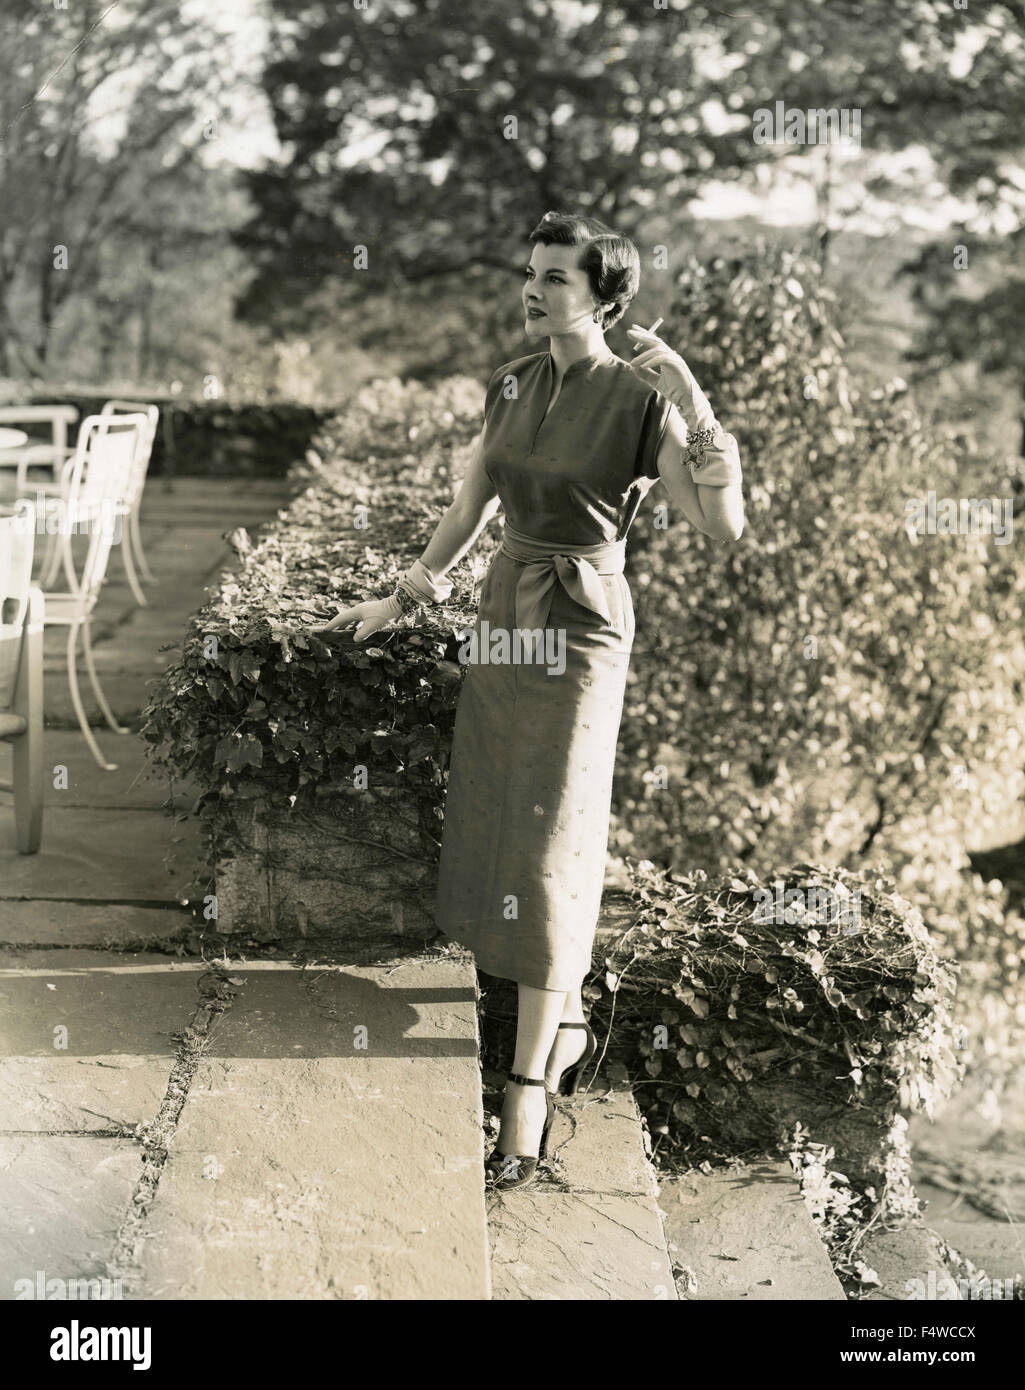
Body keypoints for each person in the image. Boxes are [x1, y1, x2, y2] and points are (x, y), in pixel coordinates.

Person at [312, 211, 744, 1191]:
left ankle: (524, 1101)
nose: (535, 287)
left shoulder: (638, 400)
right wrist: (400, 595)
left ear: (604, 297)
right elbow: (469, 509)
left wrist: (696, 402)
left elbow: (718, 523)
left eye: (557, 277)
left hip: (583, 622)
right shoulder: (509, 382)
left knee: (551, 832)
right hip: (507, 611)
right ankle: (565, 1018)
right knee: (506, 816)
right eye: (531, 271)